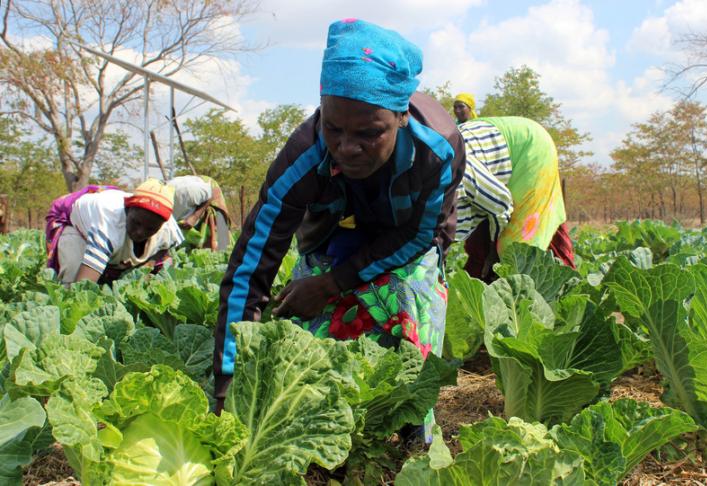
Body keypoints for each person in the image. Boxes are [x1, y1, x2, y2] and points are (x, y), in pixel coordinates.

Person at [213, 19, 465, 423]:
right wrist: (228, 385)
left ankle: (406, 434)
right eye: (333, 128)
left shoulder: (438, 148)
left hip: (406, 241)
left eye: (369, 133)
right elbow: (251, 268)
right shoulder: (303, 156)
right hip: (334, 232)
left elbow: (419, 233)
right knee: (308, 350)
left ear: (400, 117)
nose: (347, 148)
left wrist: (332, 284)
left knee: (406, 323)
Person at [454, 116, 575, 281]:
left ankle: (552, 288)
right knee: (480, 240)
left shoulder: (455, 171)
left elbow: (501, 205)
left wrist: (492, 252)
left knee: (516, 248)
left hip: (529, 148)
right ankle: (484, 285)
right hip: (492, 157)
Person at [45, 178, 184, 284]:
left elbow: (164, 251)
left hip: (111, 211)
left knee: (162, 264)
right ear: (127, 209)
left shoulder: (168, 228)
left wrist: (147, 268)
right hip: (74, 223)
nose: (140, 232)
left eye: (151, 229)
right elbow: (83, 286)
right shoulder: (108, 224)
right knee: (72, 277)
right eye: (136, 223)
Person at [167, 175, 231, 251]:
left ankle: (220, 253)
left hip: (209, 189)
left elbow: (212, 193)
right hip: (191, 200)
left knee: (217, 230)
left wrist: (194, 217)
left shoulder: (189, 192)